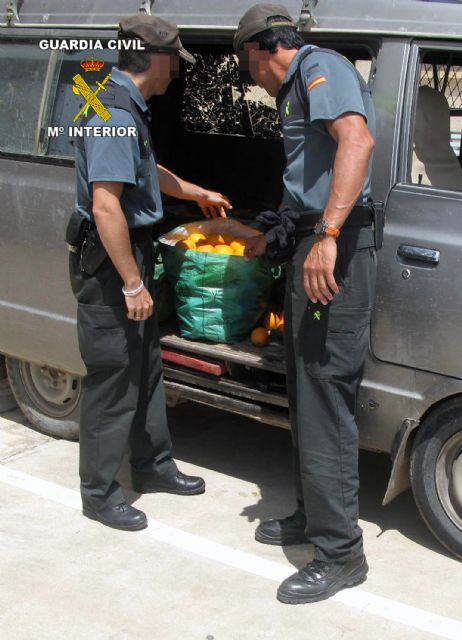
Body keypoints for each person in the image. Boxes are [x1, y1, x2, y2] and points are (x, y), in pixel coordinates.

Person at [235, 4, 377, 603]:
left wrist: (327, 236)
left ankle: (341, 554)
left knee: (324, 399)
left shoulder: (322, 70)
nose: (250, 81)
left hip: (335, 253)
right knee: (303, 391)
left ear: (262, 50)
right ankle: (312, 515)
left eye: (247, 67)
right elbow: (310, 176)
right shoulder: (298, 88)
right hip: (314, 245)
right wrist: (277, 236)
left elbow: (357, 140)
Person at [68, 15, 232, 532]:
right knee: (114, 377)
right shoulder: (113, 110)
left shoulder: (119, 101)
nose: (176, 74)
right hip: (111, 263)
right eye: (174, 64)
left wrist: (193, 191)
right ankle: (100, 493)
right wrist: (132, 283)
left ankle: (153, 465)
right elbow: (106, 206)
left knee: (144, 367)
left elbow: (140, 168)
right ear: (156, 60)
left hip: (128, 253)